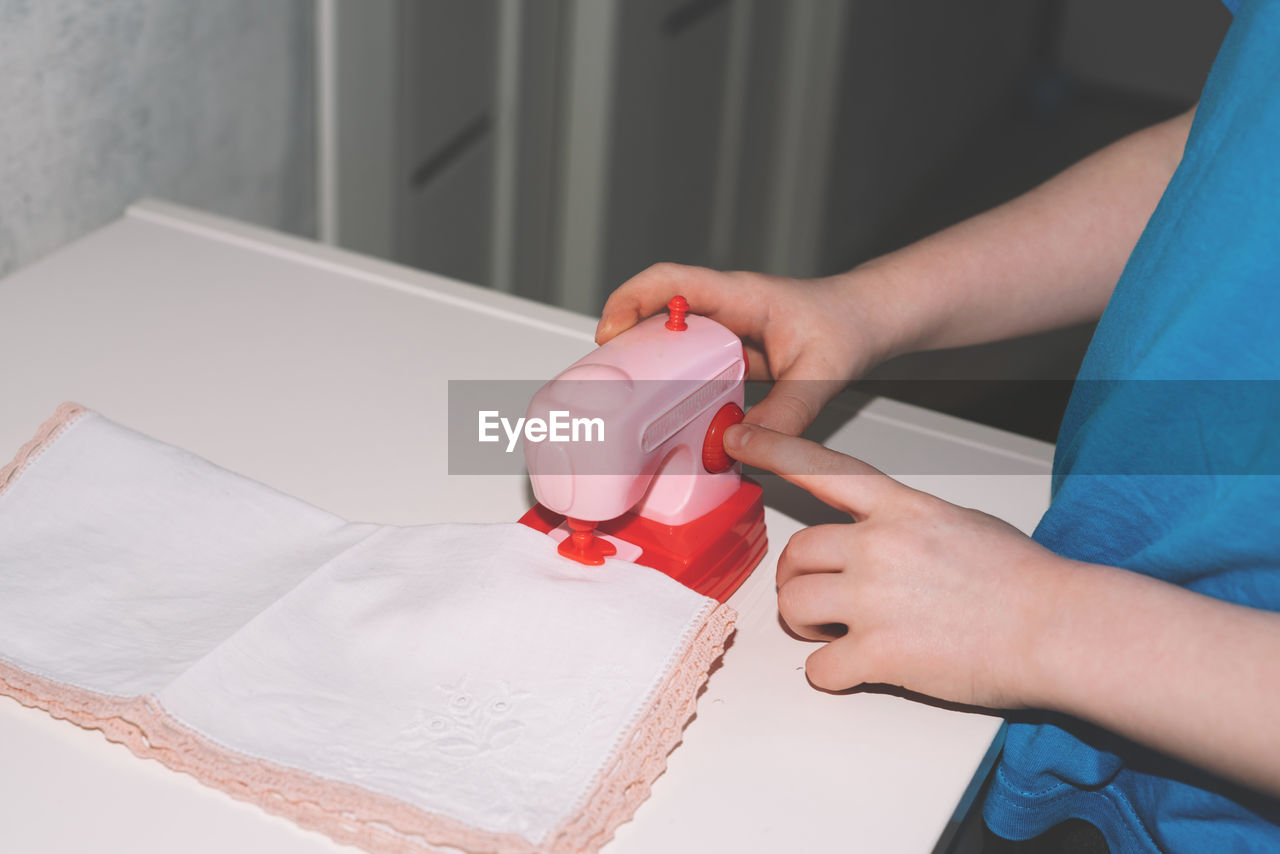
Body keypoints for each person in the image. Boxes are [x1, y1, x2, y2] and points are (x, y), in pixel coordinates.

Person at [595, 1, 1279, 851]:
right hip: (1116, 681)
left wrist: (1045, 622)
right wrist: (869, 304)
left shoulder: (1048, 626)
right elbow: (1232, 155)